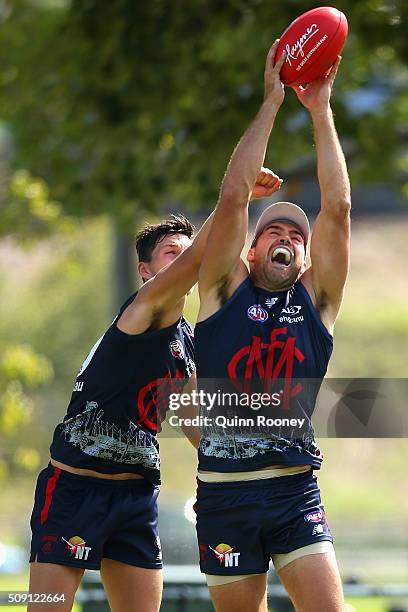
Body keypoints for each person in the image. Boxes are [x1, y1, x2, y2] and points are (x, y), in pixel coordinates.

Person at [28, 180, 282, 609]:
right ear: (146, 271)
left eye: (187, 251)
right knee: (44, 604)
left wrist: (243, 470)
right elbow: (204, 257)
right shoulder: (143, 309)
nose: (184, 259)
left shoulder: (187, 342)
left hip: (136, 497)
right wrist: (235, 198)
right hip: (76, 488)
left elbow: (193, 421)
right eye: (172, 254)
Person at [194, 39, 351, 612]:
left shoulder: (317, 303)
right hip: (224, 494)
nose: (286, 238)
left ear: (306, 261)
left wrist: (320, 110)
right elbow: (233, 198)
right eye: (274, 233)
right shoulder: (221, 293)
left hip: (293, 490)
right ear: (251, 251)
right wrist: (272, 100)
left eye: (295, 237)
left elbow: (337, 210)